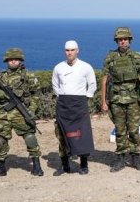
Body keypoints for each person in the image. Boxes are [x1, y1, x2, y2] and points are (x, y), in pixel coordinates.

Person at [0, 48, 44, 178]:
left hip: (21, 113)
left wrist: (32, 110)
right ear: (6, 61)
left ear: (20, 60)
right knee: (0, 139)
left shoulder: (28, 76)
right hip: (3, 113)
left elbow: (36, 95)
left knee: (29, 137)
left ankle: (36, 165)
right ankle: (0, 167)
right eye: (11, 59)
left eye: (16, 59)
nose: (13, 61)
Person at [101, 27, 140, 172]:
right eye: (120, 39)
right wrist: (103, 101)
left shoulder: (137, 56)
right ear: (116, 41)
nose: (123, 41)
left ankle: (135, 157)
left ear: (129, 40)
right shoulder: (110, 57)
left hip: (133, 100)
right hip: (116, 99)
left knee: (133, 130)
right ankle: (120, 158)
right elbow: (104, 79)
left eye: (125, 39)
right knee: (120, 130)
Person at [51, 40, 97, 176]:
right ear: (64, 51)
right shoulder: (58, 67)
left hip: (80, 103)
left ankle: (83, 164)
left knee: (82, 134)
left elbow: (92, 84)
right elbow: (55, 85)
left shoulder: (86, 67)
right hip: (63, 104)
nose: (69, 53)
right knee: (62, 134)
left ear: (77, 51)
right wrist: (63, 97)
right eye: (67, 50)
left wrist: (86, 97)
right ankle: (65, 165)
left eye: (72, 50)